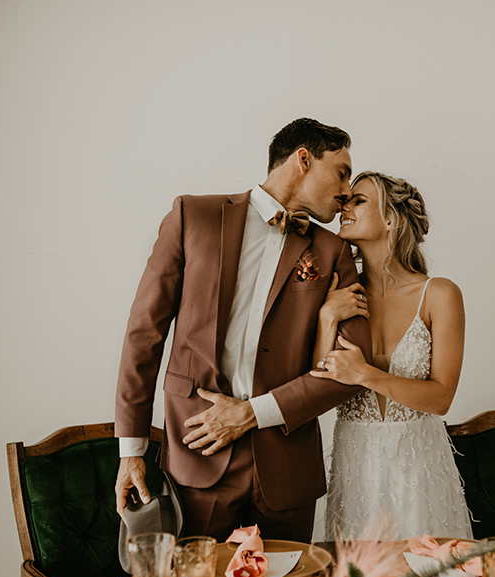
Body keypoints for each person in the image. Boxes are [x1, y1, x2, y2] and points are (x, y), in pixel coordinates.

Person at [114, 118, 372, 543]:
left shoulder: (335, 251)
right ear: (303, 160)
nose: (347, 190)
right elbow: (145, 334)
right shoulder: (191, 216)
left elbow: (352, 371)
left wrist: (251, 414)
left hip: (287, 472)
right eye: (341, 171)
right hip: (197, 453)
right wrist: (131, 452)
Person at [310, 171, 473, 539]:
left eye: (358, 200)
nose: (344, 207)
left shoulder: (440, 295)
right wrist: (326, 317)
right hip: (355, 465)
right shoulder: (337, 293)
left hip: (419, 469)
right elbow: (316, 387)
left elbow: (441, 397)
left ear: (391, 218)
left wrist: (366, 375)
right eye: (346, 200)